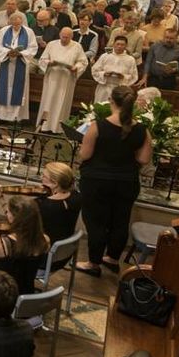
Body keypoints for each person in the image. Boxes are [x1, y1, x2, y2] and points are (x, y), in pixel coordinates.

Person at [76, 85, 153, 275]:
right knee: (120, 220)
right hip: (127, 182)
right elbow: (144, 159)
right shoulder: (142, 130)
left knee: (95, 222)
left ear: (111, 100)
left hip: (96, 181)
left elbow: (84, 155)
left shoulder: (98, 126)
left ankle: (93, 263)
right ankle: (112, 258)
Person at [36, 26, 88, 133]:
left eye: (67, 38)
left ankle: (58, 128)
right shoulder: (52, 44)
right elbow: (42, 59)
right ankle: (44, 125)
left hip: (66, 79)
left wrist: (76, 67)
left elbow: (83, 62)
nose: (64, 40)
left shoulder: (77, 46)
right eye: (63, 37)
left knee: (62, 102)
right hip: (52, 77)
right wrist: (49, 63)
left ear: (72, 37)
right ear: (60, 35)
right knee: (48, 100)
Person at [0, 13, 38, 123]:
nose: (16, 26)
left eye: (18, 24)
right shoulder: (3, 31)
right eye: (14, 24)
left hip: (20, 64)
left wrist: (21, 54)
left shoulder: (29, 32)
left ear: (21, 23)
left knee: (17, 91)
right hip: (5, 64)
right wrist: (8, 52)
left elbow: (33, 48)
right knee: (3, 89)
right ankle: (1, 116)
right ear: (10, 23)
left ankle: (16, 117)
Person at [35, 162, 82, 265]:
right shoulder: (76, 197)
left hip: (43, 259)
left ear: (55, 183)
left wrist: (1, 198)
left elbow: (14, 221)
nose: (41, 178)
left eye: (44, 176)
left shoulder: (43, 205)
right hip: (63, 256)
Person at [91, 34, 138, 102]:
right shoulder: (105, 56)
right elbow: (95, 70)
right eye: (118, 44)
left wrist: (123, 77)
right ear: (113, 44)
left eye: (122, 45)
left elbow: (134, 76)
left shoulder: (130, 59)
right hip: (104, 87)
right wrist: (104, 74)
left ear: (126, 46)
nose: (119, 46)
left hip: (120, 89)